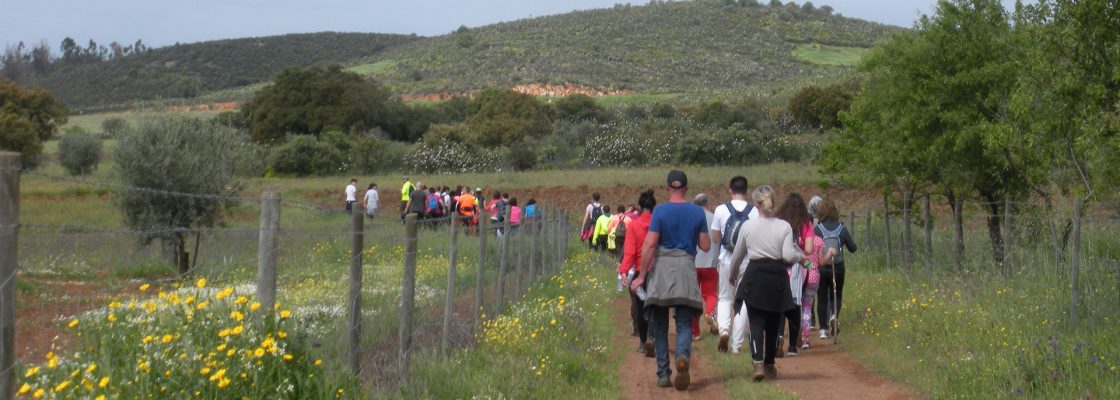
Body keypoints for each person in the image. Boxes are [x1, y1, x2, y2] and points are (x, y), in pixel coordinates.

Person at [630, 170, 710, 391]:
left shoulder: (660, 212)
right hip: (685, 268)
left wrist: (642, 276)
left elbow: (649, 244)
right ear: (685, 188)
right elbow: (705, 246)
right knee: (684, 322)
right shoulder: (697, 213)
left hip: (662, 269)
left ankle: (663, 373)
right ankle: (682, 356)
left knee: (660, 324)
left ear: (667, 188)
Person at [728, 185, 805, 381]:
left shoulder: (748, 226)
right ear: (774, 202)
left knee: (756, 323)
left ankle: (757, 364)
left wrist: (733, 274)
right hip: (777, 278)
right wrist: (800, 257)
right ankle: (770, 364)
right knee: (773, 324)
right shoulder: (784, 226)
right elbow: (788, 255)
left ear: (756, 204)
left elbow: (737, 256)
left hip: (755, 277)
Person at [710, 176, 760, 354]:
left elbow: (716, 238)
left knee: (724, 298)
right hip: (747, 261)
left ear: (730, 190)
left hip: (726, 259)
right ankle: (736, 346)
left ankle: (724, 330)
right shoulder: (754, 211)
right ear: (747, 191)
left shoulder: (721, 210)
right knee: (743, 301)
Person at [775, 193, 816, 357]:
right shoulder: (805, 222)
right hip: (799, 268)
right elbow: (809, 249)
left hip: (780, 266)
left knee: (778, 305)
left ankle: (778, 336)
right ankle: (792, 346)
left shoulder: (778, 219)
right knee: (795, 304)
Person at [619, 190, 656, 360]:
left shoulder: (634, 225)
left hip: (640, 273)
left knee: (640, 308)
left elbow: (629, 252)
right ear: (653, 206)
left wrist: (623, 270)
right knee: (657, 307)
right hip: (657, 273)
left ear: (640, 207)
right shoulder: (659, 223)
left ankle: (642, 341)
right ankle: (653, 337)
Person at [814, 199, 857, 340]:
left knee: (821, 298)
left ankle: (823, 330)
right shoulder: (841, 228)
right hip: (838, 268)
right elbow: (853, 248)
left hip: (822, 267)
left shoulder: (818, 229)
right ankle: (834, 316)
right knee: (836, 295)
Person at [691, 193, 719, 341]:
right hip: (711, 263)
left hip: (692, 263)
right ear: (708, 203)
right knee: (711, 294)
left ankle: (695, 332)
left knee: (692, 298)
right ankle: (710, 313)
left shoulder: (690, 218)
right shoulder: (716, 217)